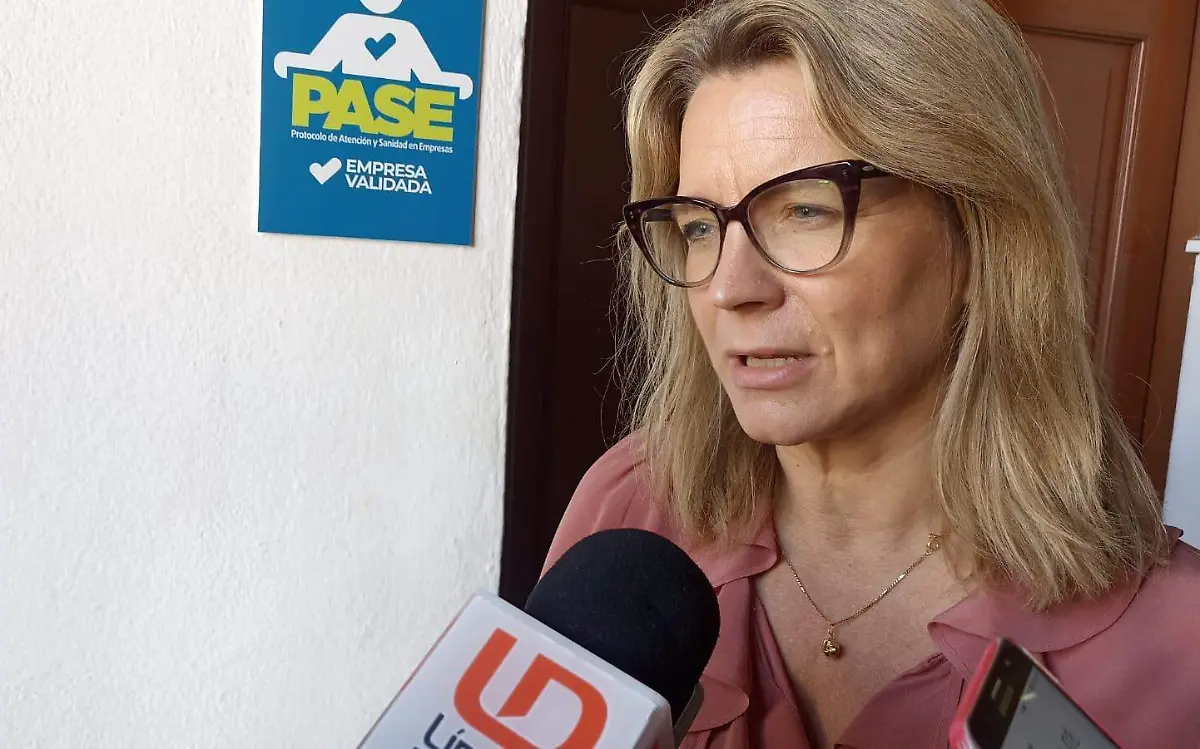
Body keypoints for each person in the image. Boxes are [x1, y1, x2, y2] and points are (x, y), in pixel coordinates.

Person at [543, 0, 1200, 746]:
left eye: (806, 210)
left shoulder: (1178, 655)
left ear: (980, 237)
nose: (729, 289)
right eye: (698, 226)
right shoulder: (632, 504)